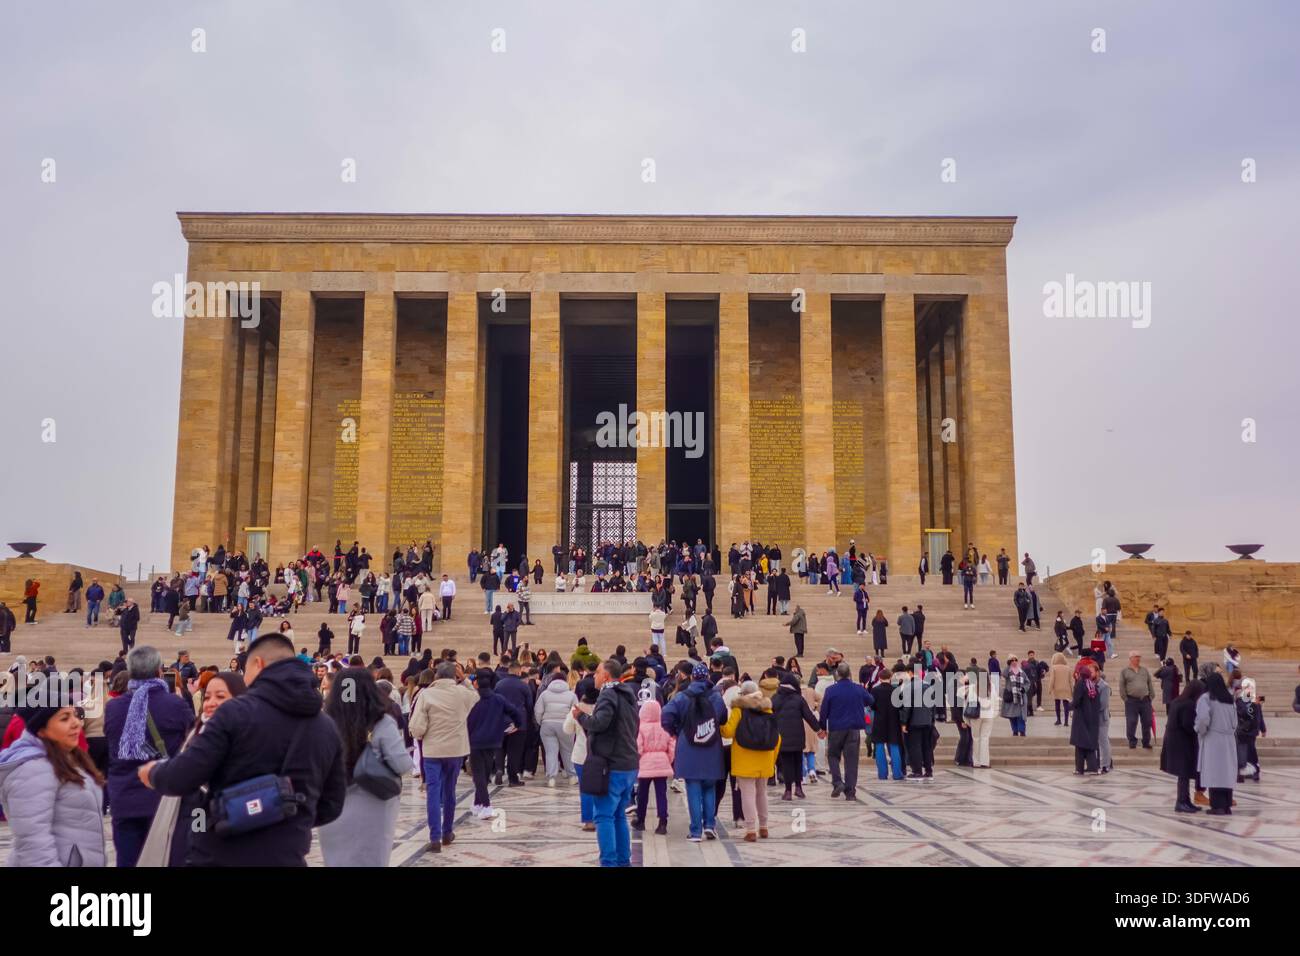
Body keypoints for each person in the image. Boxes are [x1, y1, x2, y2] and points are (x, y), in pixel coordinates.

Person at [139, 632, 347, 866]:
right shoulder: (326, 727)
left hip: (223, 854)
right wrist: (289, 818)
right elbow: (332, 804)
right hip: (287, 856)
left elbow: (184, 776)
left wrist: (153, 773)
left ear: (258, 664)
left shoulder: (235, 713)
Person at [0, 680, 107, 866]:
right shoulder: (33, 770)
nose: (76, 723)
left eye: (74, 715)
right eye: (64, 718)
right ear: (41, 729)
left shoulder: (68, 759)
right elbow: (33, 845)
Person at [104, 646, 193, 867]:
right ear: (159, 672)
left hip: (124, 796)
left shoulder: (114, 707)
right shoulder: (174, 704)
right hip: (162, 797)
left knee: (128, 861)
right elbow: (192, 740)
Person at [318, 667, 413, 866]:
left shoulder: (324, 722)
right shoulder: (381, 722)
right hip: (374, 804)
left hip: (333, 804)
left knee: (338, 859)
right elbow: (402, 764)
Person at [408, 661, 479, 852]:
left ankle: (435, 837)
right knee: (450, 791)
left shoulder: (427, 695)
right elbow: (476, 696)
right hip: (455, 750)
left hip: (433, 751)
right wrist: (464, 680)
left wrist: (419, 734)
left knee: (433, 792)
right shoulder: (463, 693)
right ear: (454, 676)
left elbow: (417, 727)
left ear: (436, 676)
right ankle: (448, 832)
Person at [574, 659, 640, 866]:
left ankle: (609, 862)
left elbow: (599, 723)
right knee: (618, 815)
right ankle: (623, 860)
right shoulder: (627, 695)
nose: (594, 675)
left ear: (606, 676)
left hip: (612, 765)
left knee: (603, 816)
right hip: (628, 763)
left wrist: (581, 717)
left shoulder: (608, 694)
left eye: (598, 672)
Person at [660, 662, 728, 841]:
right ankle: (710, 825)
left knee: (693, 789)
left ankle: (696, 830)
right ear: (707, 677)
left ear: (692, 677)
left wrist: (676, 731)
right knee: (709, 788)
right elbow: (723, 718)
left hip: (689, 747)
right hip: (712, 747)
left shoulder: (682, 697)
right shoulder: (715, 697)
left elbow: (665, 715)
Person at [722, 679, 780, 842]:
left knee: (747, 793)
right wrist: (773, 759)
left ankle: (750, 829)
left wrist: (719, 727)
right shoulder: (768, 709)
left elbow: (728, 732)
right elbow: (777, 736)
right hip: (765, 758)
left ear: (743, 694)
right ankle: (764, 827)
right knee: (762, 792)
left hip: (745, 757)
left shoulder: (739, 710)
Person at [466, 668, 524, 819]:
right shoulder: (498, 699)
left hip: (475, 741)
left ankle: (486, 805)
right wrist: (516, 725)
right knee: (484, 773)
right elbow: (516, 712)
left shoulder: (473, 699)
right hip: (493, 740)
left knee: (479, 774)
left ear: (477, 683)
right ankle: (477, 803)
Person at [819, 662, 869, 799]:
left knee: (833, 756)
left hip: (836, 728)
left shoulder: (831, 690)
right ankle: (850, 792)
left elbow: (824, 710)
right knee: (851, 760)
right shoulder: (858, 688)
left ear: (837, 675)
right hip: (853, 729)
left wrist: (822, 727)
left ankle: (837, 782)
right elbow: (870, 700)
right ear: (849, 674)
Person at [1195, 673, 1239, 815]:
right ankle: (1226, 805)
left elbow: (1202, 719)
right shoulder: (1229, 699)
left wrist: (1200, 731)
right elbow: (1235, 722)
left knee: (1214, 772)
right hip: (1228, 739)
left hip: (1213, 738)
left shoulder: (1206, 698)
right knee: (1226, 772)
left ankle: (1217, 806)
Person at [1160, 679, 1205, 812]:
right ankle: (1181, 802)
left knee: (1183, 773)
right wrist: (1198, 730)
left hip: (1173, 741)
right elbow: (1188, 725)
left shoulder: (1177, 701)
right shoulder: (1189, 705)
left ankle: (1186, 800)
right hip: (1182, 742)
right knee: (1184, 772)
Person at [772, 672, 819, 797]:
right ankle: (798, 788)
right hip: (798, 736)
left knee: (786, 763)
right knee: (798, 761)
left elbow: (769, 717)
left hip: (782, 736)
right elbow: (809, 716)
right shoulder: (798, 699)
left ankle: (788, 790)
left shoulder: (775, 698)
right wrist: (818, 729)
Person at [632, 698, 674, 834]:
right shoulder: (665, 726)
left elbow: (638, 747)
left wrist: (637, 761)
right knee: (661, 794)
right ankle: (663, 822)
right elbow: (672, 745)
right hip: (662, 762)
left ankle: (640, 820)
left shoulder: (641, 728)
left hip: (645, 764)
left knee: (642, 793)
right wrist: (668, 759)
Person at [534, 670, 578, 786]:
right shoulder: (571, 695)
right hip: (565, 725)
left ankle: (551, 778)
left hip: (547, 725)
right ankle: (572, 776)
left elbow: (538, 711)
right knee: (568, 751)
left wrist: (541, 722)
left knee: (550, 752)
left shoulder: (544, 694)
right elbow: (576, 712)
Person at [869, 668, 904, 780]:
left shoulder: (875, 690)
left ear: (879, 678)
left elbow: (872, 706)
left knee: (879, 746)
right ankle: (897, 773)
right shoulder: (896, 690)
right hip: (894, 721)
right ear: (890, 677)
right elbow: (901, 706)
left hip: (879, 720)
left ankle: (882, 774)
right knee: (894, 746)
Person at [1070, 659, 1102, 775]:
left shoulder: (1080, 684)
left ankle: (1079, 768)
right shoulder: (1092, 685)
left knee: (1079, 745)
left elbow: (1077, 701)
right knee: (1089, 745)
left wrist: (1069, 706)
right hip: (1092, 719)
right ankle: (1093, 767)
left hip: (1081, 719)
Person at [1119, 652, 1155, 749]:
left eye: (1139, 657)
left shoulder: (1144, 670)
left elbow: (1149, 682)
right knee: (1131, 721)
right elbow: (1122, 686)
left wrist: (1151, 696)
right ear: (1131, 658)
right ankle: (1132, 741)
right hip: (1131, 701)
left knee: (1147, 721)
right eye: (1136, 657)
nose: (1138, 659)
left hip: (1145, 700)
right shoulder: (1125, 671)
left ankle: (1146, 742)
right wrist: (1125, 698)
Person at [1001, 656, 1028, 736]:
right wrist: (1008, 666)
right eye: (1012, 660)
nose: (1014, 661)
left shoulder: (1022, 672)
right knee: (1012, 715)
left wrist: (1024, 689)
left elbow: (1027, 682)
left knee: (1020, 715)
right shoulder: (1008, 671)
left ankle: (1022, 730)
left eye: (1015, 660)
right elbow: (1004, 674)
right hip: (1011, 697)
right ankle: (1015, 730)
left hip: (1020, 698)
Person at [1048, 652, 1073, 725]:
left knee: (1057, 704)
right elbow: (1070, 680)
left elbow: (1052, 679)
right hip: (1066, 689)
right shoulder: (1068, 668)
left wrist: (1050, 689)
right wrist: (1072, 690)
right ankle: (1066, 721)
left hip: (1057, 689)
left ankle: (1058, 720)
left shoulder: (1054, 668)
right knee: (1066, 705)